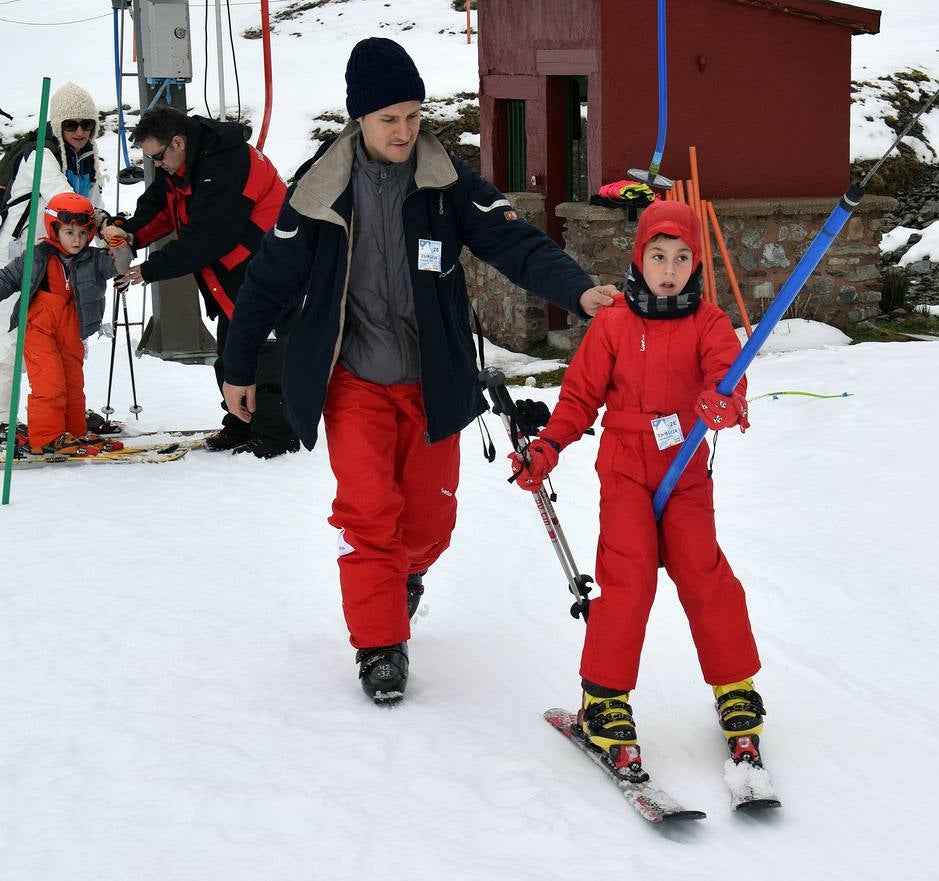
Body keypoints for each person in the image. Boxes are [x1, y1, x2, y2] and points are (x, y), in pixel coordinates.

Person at [219, 37, 616, 703]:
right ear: (359, 121)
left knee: (429, 526)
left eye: (411, 115)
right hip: (354, 381)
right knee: (369, 512)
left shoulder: (446, 184)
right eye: (387, 119)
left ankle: (403, 575)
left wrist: (576, 290)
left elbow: (512, 241)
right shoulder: (320, 192)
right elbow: (267, 281)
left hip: (432, 383)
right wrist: (238, 364)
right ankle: (379, 645)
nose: (403, 131)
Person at [511, 200, 767, 778]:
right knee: (626, 578)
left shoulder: (708, 323)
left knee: (703, 571)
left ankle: (735, 687)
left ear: (695, 265)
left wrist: (723, 403)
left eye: (681, 258)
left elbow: (729, 377)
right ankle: (604, 700)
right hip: (626, 466)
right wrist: (548, 447)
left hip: (684, 470)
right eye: (658, 256)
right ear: (639, 258)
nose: (669, 268)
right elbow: (580, 396)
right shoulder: (614, 323)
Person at [100, 106, 298, 459]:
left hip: (265, 264)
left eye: (159, 157)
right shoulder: (186, 161)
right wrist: (128, 232)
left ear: (178, 142)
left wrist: (150, 269)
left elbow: (208, 238)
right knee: (230, 351)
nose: (158, 165)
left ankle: (276, 434)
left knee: (263, 353)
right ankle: (242, 423)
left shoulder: (225, 164)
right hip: (237, 267)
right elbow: (161, 205)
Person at [0, 82, 107, 442]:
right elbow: (64, 199)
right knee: (16, 335)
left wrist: (110, 226)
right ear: (58, 125)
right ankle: (2, 417)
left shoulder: (87, 157)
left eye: (86, 125)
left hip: (66, 254)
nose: (79, 132)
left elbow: (92, 202)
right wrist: (96, 221)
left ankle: (61, 411)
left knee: (66, 335)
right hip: (24, 250)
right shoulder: (40, 155)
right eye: (71, 125)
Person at [0, 193, 125, 456]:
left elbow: (120, 265)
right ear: (54, 229)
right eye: (69, 232)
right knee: (49, 380)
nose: (76, 239)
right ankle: (47, 436)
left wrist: (118, 242)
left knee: (72, 381)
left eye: (82, 232)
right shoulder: (38, 255)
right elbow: (8, 279)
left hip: (72, 325)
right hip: (39, 324)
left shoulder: (94, 258)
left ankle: (74, 433)